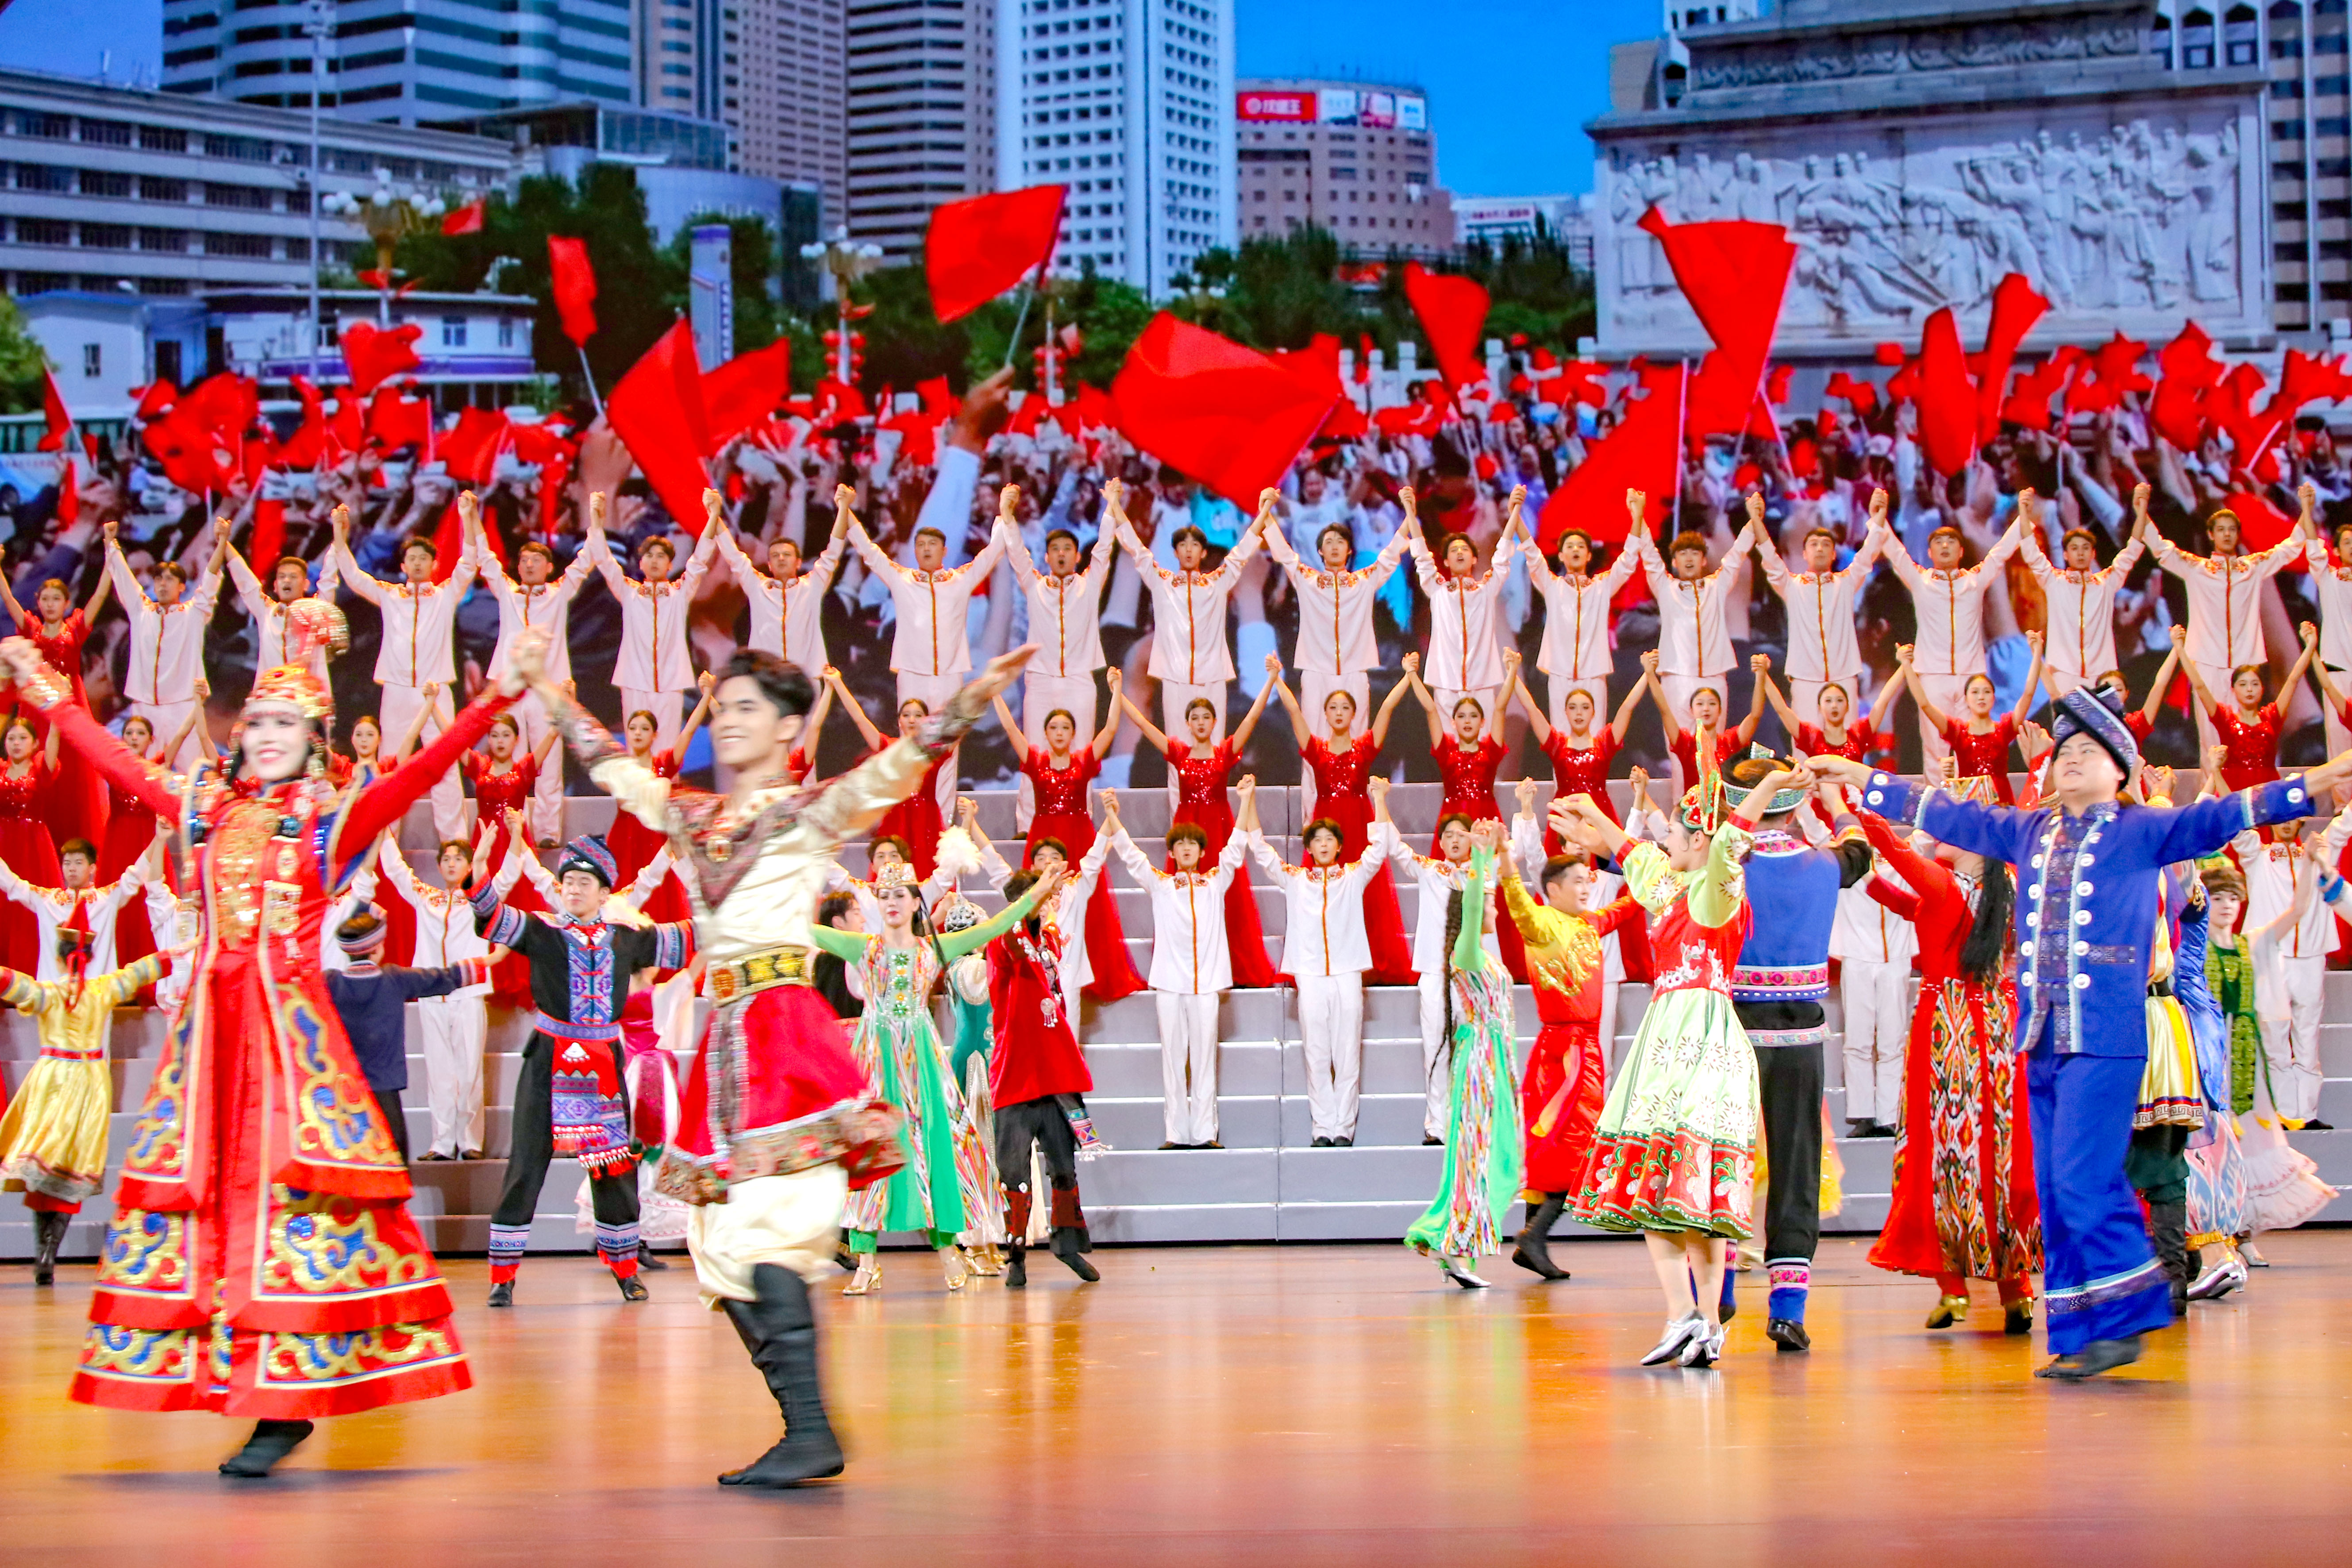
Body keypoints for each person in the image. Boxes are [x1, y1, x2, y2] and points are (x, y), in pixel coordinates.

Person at [0, 605, 516, 1477]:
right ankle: (235, 1379)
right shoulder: (204, 807)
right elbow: (112, 755)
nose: (269, 734)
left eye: (288, 723)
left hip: (288, 1045)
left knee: (287, 1212)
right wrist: (44, 689)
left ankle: (285, 1401)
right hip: (209, 1044)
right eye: (258, 721)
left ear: (314, 741)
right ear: (238, 736)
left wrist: (493, 700)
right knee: (213, 1212)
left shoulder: (324, 823)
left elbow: (420, 775)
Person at [534, 633, 1034, 1488]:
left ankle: (809, 1429)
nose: (728, 721)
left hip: (784, 1033)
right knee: (718, 1247)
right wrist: (549, 695)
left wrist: (973, 697)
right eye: (722, 707)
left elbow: (896, 767)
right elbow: (617, 770)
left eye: (748, 708)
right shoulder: (693, 815)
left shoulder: (807, 813)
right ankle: (804, 1426)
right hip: (725, 1041)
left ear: (789, 725)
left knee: (771, 1230)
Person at [1809, 688, 2342, 1379]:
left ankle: (2127, 1310)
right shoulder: (2030, 829)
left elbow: (2227, 812)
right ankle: (2080, 1330)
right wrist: (1860, 776)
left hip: (2104, 1035)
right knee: (2054, 1188)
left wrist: (2318, 780)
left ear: (2119, 770)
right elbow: (1946, 813)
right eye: (2063, 750)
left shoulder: (2142, 829)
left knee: (2081, 1176)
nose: (2070, 759)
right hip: (2037, 1036)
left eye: (2088, 751)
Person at [1556, 765, 1789, 1369]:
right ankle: (1699, 1321)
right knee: (1676, 1190)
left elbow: (1730, 841)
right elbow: (1633, 856)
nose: (1662, 845)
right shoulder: (1671, 887)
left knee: (1671, 1180)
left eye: (1672, 837)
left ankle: (1688, 1315)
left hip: (1697, 1038)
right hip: (1671, 1037)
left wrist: (1764, 790)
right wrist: (1595, 813)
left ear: (1697, 841)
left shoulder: (1715, 892)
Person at [470, 831, 693, 1305]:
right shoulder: (543, 930)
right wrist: (481, 867)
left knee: (612, 1168)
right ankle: (502, 1277)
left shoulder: (625, 939)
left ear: (605, 892)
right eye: (568, 881)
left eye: (583, 883)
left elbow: (687, 938)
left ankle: (626, 1270)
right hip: (547, 1060)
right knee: (526, 1164)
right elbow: (490, 917)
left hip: (603, 1065)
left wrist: (711, 882)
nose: (573, 889)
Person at [817, 862, 1056, 1293]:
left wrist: (1035, 894)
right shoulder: (864, 948)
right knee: (868, 1149)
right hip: (876, 1060)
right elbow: (807, 932)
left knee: (932, 1149)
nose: (891, 903)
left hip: (921, 1062)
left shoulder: (933, 949)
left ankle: (948, 1251)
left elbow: (997, 925)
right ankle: (865, 1260)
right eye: (884, 896)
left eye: (899, 896)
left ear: (915, 903)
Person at [1851, 799, 2039, 1332]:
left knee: (1940, 1157)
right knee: (2001, 1156)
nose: (1938, 835)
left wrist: (1850, 804)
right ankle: (2015, 1291)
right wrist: (1871, 881)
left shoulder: (1942, 884)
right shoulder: (2007, 888)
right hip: (1999, 1026)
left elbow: (1892, 851)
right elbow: (1918, 911)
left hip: (1948, 1032)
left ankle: (1952, 1290)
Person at [1710, 754, 1872, 1352]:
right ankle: (1787, 1308)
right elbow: (1859, 847)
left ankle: (1720, 1287)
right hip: (1800, 1037)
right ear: (1793, 805)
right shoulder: (1825, 863)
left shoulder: (1726, 863)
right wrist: (1830, 799)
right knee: (1795, 1166)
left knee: (1723, 1159)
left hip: (1733, 1031)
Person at [1501, 793, 1640, 1281]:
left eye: (1588, 880)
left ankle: (1531, 1238)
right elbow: (1516, 898)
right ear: (1553, 889)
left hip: (1575, 1049)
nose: (1586, 887)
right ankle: (1535, 1235)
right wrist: (1502, 857)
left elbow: (1635, 898)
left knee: (1552, 1143)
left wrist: (1618, 854)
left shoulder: (1591, 924)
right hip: (1567, 1054)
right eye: (1577, 881)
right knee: (1576, 1141)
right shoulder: (1541, 924)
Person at [0, 915, 170, 1285]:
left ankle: (43, 1252)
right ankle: (49, 1251)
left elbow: (14, 984)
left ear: (59, 957)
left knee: (47, 1160)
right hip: (89, 1080)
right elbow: (141, 971)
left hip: (53, 1078)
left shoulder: (49, 993)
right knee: (72, 1161)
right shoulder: (102, 989)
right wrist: (182, 951)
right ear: (90, 957)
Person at [1243, 774, 1390, 1147]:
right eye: (1317, 840)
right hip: (1309, 973)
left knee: (1347, 1050)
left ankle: (1344, 1127)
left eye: (1329, 839)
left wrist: (1379, 799)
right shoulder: (1296, 879)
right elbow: (1260, 850)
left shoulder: (1353, 875)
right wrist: (1249, 800)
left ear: (1339, 846)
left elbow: (1379, 847)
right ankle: (1322, 1127)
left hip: (1347, 970)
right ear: (1308, 847)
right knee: (1316, 1051)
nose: (1323, 844)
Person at [1401, 827, 1520, 1289]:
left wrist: (1494, 856)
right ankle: (1455, 1246)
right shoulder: (1465, 952)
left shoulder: (1483, 956)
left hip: (1496, 1061)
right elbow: (1472, 908)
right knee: (1477, 1156)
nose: (1495, 909)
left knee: (1502, 1160)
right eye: (1488, 903)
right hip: (1478, 1064)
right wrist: (1482, 858)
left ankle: (1449, 1239)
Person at [1115, 661, 1279, 989]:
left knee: (1226, 896)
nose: (1201, 722)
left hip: (1219, 828)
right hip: (1188, 829)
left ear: (1214, 722)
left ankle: (1232, 966)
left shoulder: (1224, 752)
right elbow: (1144, 725)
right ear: (1188, 723)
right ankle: (1184, 965)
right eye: (1195, 718)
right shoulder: (1179, 752)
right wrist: (1118, 693)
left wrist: (1272, 679)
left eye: (1206, 717)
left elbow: (1251, 718)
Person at [851, 476, 1009, 808]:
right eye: (921, 544)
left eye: (932, 545)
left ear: (944, 551)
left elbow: (992, 553)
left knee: (948, 749)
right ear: (915, 550)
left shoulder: (959, 580)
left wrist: (1004, 513)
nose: (926, 549)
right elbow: (869, 552)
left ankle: (942, 819)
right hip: (912, 673)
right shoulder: (902, 579)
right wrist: (846, 512)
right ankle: (908, 812)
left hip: (950, 674)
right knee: (910, 745)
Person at [986, 859, 1107, 1290]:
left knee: (1064, 1168)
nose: (1046, 903)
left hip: (1055, 1074)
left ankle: (1067, 1246)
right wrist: (1035, 897)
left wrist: (1048, 898)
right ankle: (1016, 1256)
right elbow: (1013, 937)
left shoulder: (1047, 941)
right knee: (1014, 1174)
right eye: (1036, 898)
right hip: (1017, 1075)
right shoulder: (1002, 943)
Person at [376, 823, 526, 1162]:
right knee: (439, 1070)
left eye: (459, 858)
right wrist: (383, 826)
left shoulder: (479, 898)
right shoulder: (426, 897)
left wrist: (516, 834)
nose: (452, 863)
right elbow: (396, 869)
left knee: (469, 1069)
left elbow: (509, 874)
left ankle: (470, 1141)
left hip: (469, 992)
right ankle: (442, 1142)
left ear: (470, 864)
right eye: (446, 859)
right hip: (432, 994)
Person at [1105, 794, 1248, 1150]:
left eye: (1192, 844)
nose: (1186, 849)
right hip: (1169, 983)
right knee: (1172, 1058)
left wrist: (1246, 801)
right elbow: (1130, 854)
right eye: (1180, 844)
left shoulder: (1215, 881)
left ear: (1202, 851)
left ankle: (1204, 1132)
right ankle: (1175, 1133)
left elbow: (1236, 847)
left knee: (1204, 1058)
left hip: (1207, 983)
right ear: (1171, 852)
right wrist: (1111, 815)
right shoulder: (1161, 884)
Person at [990, 676, 1146, 1003]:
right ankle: (1038, 969)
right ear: (1045, 733)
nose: (1060, 733)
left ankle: (1086, 975)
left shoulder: (1083, 761)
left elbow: (1111, 729)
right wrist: (995, 693)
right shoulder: (1035, 761)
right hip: (1043, 837)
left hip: (1079, 836)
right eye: (1054, 728)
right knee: (1036, 899)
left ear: (1073, 733)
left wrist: (1117, 689)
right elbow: (1010, 729)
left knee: (1086, 905)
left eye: (1065, 728)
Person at [331, 501, 480, 840]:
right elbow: (353, 576)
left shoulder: (445, 596)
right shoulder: (390, 595)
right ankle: (386, 841)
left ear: (434, 564)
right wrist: (340, 535)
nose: (417, 563)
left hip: (436, 691)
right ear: (403, 565)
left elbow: (469, 563)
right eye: (411, 558)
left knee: (444, 765)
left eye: (423, 558)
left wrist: (469, 519)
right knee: (390, 766)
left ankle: (454, 841)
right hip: (397, 689)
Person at [1267, 661, 1417, 983]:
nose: (1339, 713)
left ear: (1353, 714)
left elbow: (1387, 708)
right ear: (1325, 714)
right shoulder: (1316, 750)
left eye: (1345, 708)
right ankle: (1323, 958)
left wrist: (1407, 676)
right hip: (1325, 828)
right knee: (1321, 894)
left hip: (1359, 825)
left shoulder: (1364, 748)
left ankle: (1365, 962)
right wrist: (1276, 678)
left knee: (1364, 893)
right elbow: (1294, 711)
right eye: (1333, 708)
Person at [323, 904, 493, 1166]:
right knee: (395, 1161)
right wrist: (492, 959)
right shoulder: (394, 979)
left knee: (349, 1160)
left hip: (343, 1089)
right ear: (377, 948)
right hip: (384, 1088)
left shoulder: (331, 983)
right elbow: (445, 978)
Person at [471, 489, 597, 845]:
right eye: (524, 560)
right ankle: (511, 831)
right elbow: (485, 557)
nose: (528, 565)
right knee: (510, 764)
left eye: (536, 560)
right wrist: (470, 517)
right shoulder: (508, 593)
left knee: (548, 764)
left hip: (546, 689)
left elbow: (587, 559)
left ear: (549, 567)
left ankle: (546, 834)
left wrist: (596, 518)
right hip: (511, 690)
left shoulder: (558, 594)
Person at [1377, 786, 1500, 1147]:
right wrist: (1380, 800)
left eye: (1461, 834)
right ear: (1441, 842)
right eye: (1448, 835)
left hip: (1473, 975)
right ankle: (1437, 1125)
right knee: (1436, 1047)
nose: (1454, 840)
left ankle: (1472, 1121)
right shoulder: (1429, 870)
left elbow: (1513, 854)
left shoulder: (1483, 871)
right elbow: (1395, 845)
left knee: (1472, 1050)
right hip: (1434, 971)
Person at [998, 479, 1120, 818]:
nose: (1062, 554)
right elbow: (1017, 555)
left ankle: (1081, 818)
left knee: (1082, 754)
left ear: (1077, 556)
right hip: (1040, 680)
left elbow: (1104, 549)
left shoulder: (1089, 585)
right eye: (1056, 549)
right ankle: (1028, 823)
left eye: (1068, 548)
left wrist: (1111, 507)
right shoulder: (1035, 585)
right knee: (1034, 754)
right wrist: (1007, 516)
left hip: (1080, 679)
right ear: (1048, 556)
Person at [1262, 484, 1413, 756]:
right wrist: (1266, 513)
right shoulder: (1307, 580)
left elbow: (1391, 555)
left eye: (1340, 542)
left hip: (1355, 670)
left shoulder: (1364, 581)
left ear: (1350, 551)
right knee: (1315, 745)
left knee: (1355, 745)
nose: (1334, 547)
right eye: (1328, 543)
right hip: (1316, 670)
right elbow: (1284, 553)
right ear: (1319, 551)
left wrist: (1409, 513)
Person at [1111, 482, 1268, 738]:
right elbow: (1116, 643)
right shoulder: (1154, 647)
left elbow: (1266, 725)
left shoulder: (1245, 645)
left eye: (1217, 565)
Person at [2148, 501, 2302, 752]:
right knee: (2211, 735)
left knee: (2247, 730)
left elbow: (2290, 548)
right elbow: (2160, 548)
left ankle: (2247, 778)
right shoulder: (2196, 568)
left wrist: (2306, 510)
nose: (2227, 535)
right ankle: (2213, 779)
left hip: (2246, 662)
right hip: (2207, 662)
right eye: (2221, 529)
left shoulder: (2252, 568)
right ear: (2211, 535)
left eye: (2232, 529)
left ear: (2238, 534)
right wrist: (2142, 510)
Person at [1880, 512, 2025, 769]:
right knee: (1935, 746)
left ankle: (1970, 794)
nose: (1945, 546)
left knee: (1972, 742)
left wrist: (2022, 518)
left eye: (1951, 542)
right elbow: (1897, 553)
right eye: (1939, 542)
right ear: (1930, 553)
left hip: (1971, 676)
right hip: (1933, 675)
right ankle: (1938, 795)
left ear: (1961, 552)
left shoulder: (1974, 580)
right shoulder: (1921, 581)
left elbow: (2000, 553)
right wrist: (1879, 519)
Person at [2227, 795, 2337, 1126]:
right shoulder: (2256, 856)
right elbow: (2235, 821)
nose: (2287, 823)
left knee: (2307, 1037)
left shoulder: (2319, 851)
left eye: (2293, 817)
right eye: (2281, 816)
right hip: (2271, 957)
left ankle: (2307, 1112)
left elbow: (2344, 826)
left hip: (2311, 956)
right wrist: (2215, 776)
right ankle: (2286, 1112)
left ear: (2303, 819)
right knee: (2274, 1038)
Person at [586, 491, 721, 753]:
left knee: (667, 750)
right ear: (641, 563)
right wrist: (596, 520)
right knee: (637, 749)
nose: (655, 561)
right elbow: (604, 560)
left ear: (670, 565)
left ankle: (666, 782)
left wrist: (713, 516)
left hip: (671, 680)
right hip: (634, 679)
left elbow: (699, 560)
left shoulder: (680, 593)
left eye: (661, 556)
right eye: (650, 556)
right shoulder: (629, 592)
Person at [1750, 487, 1890, 726]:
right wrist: (1756, 521)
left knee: (1846, 743)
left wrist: (1878, 518)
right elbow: (1771, 560)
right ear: (1804, 554)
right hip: (1805, 679)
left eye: (1826, 545)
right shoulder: (1792, 586)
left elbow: (1868, 554)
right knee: (1807, 742)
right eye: (1814, 545)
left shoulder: (1845, 584)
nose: (1820, 549)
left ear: (1835, 554)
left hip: (1843, 677)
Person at [102, 517, 225, 771]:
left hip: (183, 705)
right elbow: (123, 578)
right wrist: (111, 543)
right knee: (143, 772)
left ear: (182, 586)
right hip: (145, 705)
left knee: (191, 772)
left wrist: (222, 541)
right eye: (159, 579)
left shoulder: (193, 614)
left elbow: (211, 579)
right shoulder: (141, 611)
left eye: (170, 579)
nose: (163, 584)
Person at [1519, 487, 1644, 729]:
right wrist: (1517, 514)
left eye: (1580, 547)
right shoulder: (1552, 586)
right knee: (1562, 737)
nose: (1575, 550)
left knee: (1594, 738)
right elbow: (1532, 555)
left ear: (1588, 556)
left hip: (1593, 672)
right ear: (1561, 556)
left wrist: (1637, 516)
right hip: (1560, 672)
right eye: (1570, 547)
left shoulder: (1602, 586)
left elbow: (1629, 560)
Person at [1635, 504, 1758, 731]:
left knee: (1712, 745)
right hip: (1677, 676)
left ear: (1704, 561)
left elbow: (1737, 554)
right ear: (1674, 562)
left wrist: (1754, 520)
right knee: (1680, 745)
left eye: (1695, 553)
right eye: (1683, 554)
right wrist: (1639, 516)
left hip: (1714, 675)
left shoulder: (1717, 586)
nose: (1689, 559)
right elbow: (1650, 556)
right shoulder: (1666, 589)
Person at [2021, 483, 2150, 696]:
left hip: (2102, 673)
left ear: (2093, 554)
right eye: (2074, 549)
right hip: (2063, 674)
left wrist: (2142, 508)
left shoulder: (2107, 583)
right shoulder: (2054, 582)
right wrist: (2024, 513)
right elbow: (2031, 552)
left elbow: (2134, 548)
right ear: (2065, 555)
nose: (2080, 554)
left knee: (2104, 719)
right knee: (2067, 719)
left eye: (2085, 549)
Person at [716, 478, 851, 670]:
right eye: (775, 555)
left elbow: (832, 550)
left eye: (786, 555)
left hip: (794, 678)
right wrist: (715, 515)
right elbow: (736, 553)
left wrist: (842, 508)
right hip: (773, 677)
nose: (781, 559)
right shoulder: (758, 589)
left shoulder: (809, 587)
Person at [1405, 486, 1516, 717]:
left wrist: (1514, 514)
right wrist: (1409, 510)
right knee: (1449, 727)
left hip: (1481, 676)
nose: (1459, 553)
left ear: (1475, 557)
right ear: (1445, 561)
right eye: (1454, 550)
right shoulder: (1437, 590)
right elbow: (1421, 554)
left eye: (1465, 549)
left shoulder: (1487, 589)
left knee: (1486, 726)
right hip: (1448, 675)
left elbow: (1502, 554)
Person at [1899, 632, 2047, 805]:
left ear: (1994, 698)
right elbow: (1925, 704)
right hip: (1969, 807)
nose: (1981, 697)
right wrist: (1907, 665)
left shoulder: (2005, 729)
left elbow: (2028, 694)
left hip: (2002, 807)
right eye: (1975, 693)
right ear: (1967, 699)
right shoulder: (1958, 732)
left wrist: (2037, 652)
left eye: (1987, 692)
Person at [1834, 830, 1916, 1139]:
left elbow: (1928, 830)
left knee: (1893, 1041)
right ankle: (1862, 1113)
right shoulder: (1847, 855)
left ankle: (1889, 1115)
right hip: (1856, 955)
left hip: (1897, 957)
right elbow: (1816, 829)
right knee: (1857, 1039)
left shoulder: (1906, 850)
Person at [1510, 655, 1644, 840]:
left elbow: (1628, 707)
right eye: (1573, 708)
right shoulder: (1557, 745)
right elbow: (1531, 707)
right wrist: (1512, 671)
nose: (1579, 713)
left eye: (1585, 708)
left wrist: (1648, 673)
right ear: (1565, 712)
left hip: (1599, 814)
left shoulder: (1604, 743)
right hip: (1566, 814)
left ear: (1594, 712)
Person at [836, 679, 956, 880]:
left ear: (928, 721)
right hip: (894, 820)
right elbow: (860, 718)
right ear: (899, 721)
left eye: (918, 715)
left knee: (928, 877)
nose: (912, 720)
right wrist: (838, 683)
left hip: (926, 822)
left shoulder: (933, 751)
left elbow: (958, 729)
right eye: (906, 715)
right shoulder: (888, 747)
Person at [0, 829, 152, 980]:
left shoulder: (107, 900)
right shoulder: (48, 901)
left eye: (79, 863)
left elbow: (136, 875)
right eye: (67, 863)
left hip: (98, 991)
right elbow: (11, 883)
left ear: (92, 868)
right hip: (55, 991)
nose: (72, 868)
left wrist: (159, 839)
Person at [1402, 647, 1513, 850]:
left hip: (1485, 818)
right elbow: (1431, 709)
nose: (1467, 721)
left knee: (1487, 867)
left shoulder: (1491, 750)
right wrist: (1411, 674)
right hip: (1452, 819)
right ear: (1453, 723)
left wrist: (1512, 671)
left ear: (1483, 722)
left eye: (1473, 716)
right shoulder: (1446, 750)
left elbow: (1500, 708)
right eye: (1461, 716)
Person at [2188, 623, 2317, 794]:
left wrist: (2311, 645)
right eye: (2243, 685)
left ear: (2263, 689)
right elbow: (2200, 686)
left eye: (2255, 684)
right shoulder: (2226, 718)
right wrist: (2181, 649)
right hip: (2233, 792)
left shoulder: (2272, 716)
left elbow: (2293, 679)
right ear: (2233, 690)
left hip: (2267, 791)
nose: (2249, 690)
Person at [1641, 649, 1762, 791]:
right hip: (1694, 805)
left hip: (1725, 806)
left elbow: (1755, 715)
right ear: (1692, 711)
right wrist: (1650, 674)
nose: (1706, 709)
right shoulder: (1686, 745)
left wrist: (1761, 675)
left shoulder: (1730, 742)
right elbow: (1665, 711)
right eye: (1700, 704)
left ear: (1720, 711)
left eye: (1712, 704)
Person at [223, 538, 339, 684]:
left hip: (307, 695)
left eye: (293, 577)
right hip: (270, 694)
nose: (287, 581)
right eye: (282, 577)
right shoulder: (267, 612)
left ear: (306, 584)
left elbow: (329, 581)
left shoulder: (317, 612)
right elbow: (245, 581)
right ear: (276, 586)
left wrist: (339, 538)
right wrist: (224, 542)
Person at [0, 716, 63, 975]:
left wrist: (59, 714)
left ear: (35, 743)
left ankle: (30, 974)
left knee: (30, 910)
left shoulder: (40, 769)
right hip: (3, 848)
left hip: (34, 850)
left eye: (23, 738)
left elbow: (55, 737)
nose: (16, 743)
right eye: (11, 738)